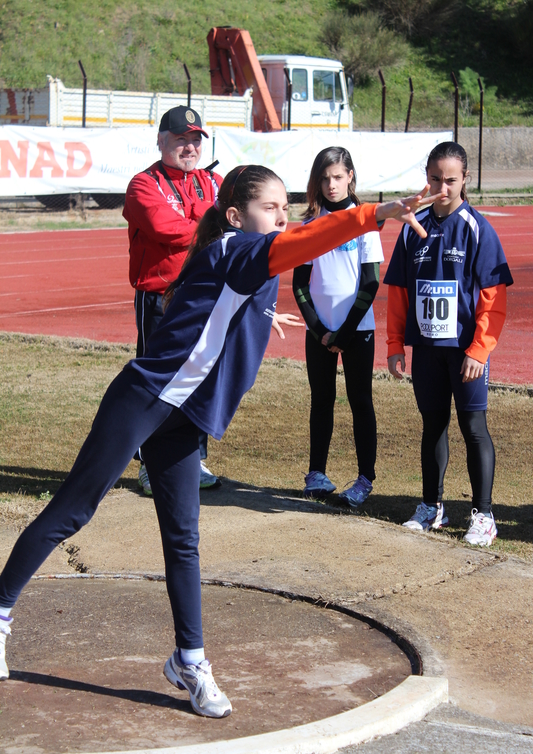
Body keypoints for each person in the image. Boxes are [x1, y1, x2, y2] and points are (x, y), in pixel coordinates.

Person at [0, 165, 442, 717]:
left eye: (286, 206)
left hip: (183, 416)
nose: (283, 216)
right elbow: (302, 241)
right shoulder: (237, 248)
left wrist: (260, 311)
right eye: (271, 207)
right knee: (73, 509)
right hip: (143, 401)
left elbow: (197, 302)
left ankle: (189, 659)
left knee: (183, 539)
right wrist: (373, 214)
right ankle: (0, 611)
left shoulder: (240, 262)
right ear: (235, 217)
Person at [384, 141, 513, 546]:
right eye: (436, 178)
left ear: (465, 180)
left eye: (451, 180)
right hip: (426, 350)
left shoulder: (477, 228)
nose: (443, 186)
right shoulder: (414, 229)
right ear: (427, 176)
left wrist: (479, 350)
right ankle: (431, 506)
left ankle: (483, 515)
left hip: (465, 352)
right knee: (432, 426)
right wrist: (394, 344)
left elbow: (494, 301)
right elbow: (400, 292)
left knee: (474, 427)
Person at [123, 105, 222, 494]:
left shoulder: (213, 181)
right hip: (159, 298)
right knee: (157, 382)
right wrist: (207, 220)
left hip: (205, 295)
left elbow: (229, 220)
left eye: (195, 139)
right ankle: (151, 462)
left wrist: (202, 219)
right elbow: (164, 229)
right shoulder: (143, 184)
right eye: (181, 138)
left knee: (199, 378)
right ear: (162, 140)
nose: (189, 146)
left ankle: (192, 460)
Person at [293, 147, 384, 507]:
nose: (331, 185)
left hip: (357, 332)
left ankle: (364, 480)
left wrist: (343, 333)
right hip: (320, 333)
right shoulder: (308, 227)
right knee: (322, 400)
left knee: (361, 401)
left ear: (350, 178)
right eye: (324, 178)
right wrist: (320, 330)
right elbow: (300, 285)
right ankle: (316, 473)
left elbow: (371, 283)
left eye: (337, 177)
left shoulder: (364, 221)